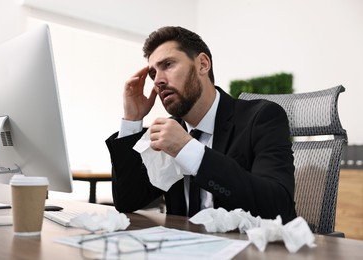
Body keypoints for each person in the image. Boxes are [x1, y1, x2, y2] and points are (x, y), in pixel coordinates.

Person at [106, 26, 296, 223]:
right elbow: (127, 202)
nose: (158, 81)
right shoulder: (170, 131)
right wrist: (132, 119)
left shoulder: (261, 117)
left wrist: (188, 150)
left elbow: (278, 207)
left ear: (203, 65)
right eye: (153, 74)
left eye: (168, 65)